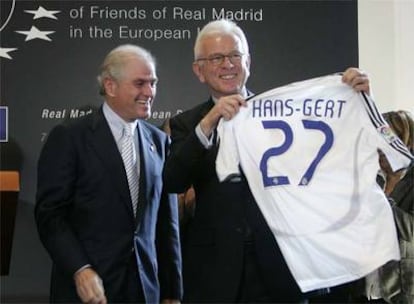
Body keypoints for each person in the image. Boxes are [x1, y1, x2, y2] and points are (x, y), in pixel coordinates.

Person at [162, 19, 372, 303]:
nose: (228, 64)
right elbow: (173, 179)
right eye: (216, 58)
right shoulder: (186, 124)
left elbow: (336, 155)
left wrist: (355, 98)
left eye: (235, 55)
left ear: (248, 62)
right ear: (199, 71)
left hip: (280, 267)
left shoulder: (285, 113)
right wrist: (209, 122)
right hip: (215, 272)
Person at [35, 44, 182, 304]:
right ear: (110, 86)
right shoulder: (70, 137)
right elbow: (50, 215)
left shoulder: (159, 142)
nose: (149, 92)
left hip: (144, 291)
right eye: (140, 83)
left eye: (153, 83)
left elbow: (166, 223)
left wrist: (171, 291)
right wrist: (80, 269)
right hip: (88, 292)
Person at [355, 110, 414, 304]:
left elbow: (411, 230)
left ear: (406, 142)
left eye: (386, 142)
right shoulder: (370, 178)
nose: (379, 149)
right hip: (364, 290)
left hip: (402, 292)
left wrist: (379, 203)